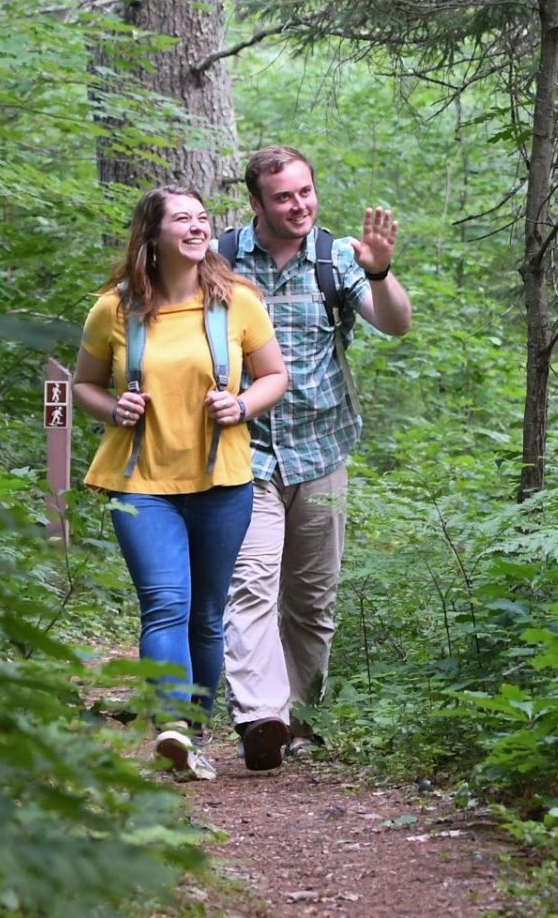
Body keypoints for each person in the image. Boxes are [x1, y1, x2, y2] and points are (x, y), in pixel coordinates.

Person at [74, 184, 288, 781]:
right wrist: (111, 407)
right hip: (140, 480)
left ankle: (193, 732)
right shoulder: (113, 310)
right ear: (153, 234)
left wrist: (243, 406)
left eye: (202, 219)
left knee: (207, 616)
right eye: (182, 220)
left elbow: (275, 376)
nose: (197, 228)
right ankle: (169, 726)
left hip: (222, 480)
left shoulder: (239, 302)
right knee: (164, 604)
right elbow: (83, 384)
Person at [221, 146, 413, 770]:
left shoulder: (335, 259)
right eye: (283, 197)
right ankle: (260, 716)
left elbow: (395, 324)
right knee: (248, 585)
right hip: (241, 453)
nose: (299, 205)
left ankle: (303, 719)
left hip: (323, 452)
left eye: (306, 192)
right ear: (257, 203)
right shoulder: (220, 261)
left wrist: (381, 272)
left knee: (311, 598)